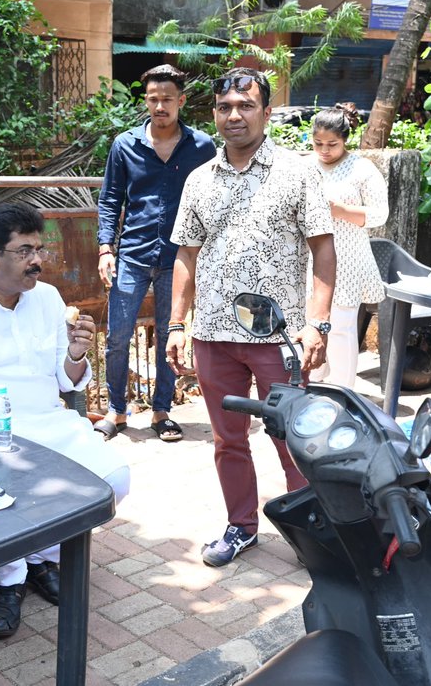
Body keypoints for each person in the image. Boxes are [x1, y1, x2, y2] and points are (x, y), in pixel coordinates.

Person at [0, 203, 130, 639]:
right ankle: (9, 580)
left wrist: (76, 353)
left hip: (49, 422)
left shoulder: (49, 298)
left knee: (113, 479)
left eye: (39, 249)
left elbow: (66, 377)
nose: (37, 260)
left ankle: (39, 558)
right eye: (24, 251)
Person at [167, 67, 337, 567]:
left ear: (266, 111)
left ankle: (315, 532)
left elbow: (323, 253)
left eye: (245, 105)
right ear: (214, 113)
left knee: (295, 440)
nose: (234, 115)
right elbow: (186, 257)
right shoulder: (199, 179)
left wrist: (317, 323)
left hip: (277, 338)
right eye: (224, 107)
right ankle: (241, 526)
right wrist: (178, 325)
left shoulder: (299, 171)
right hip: (214, 336)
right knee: (227, 438)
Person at [96, 64, 215, 442]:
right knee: (117, 336)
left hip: (179, 257)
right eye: (153, 99)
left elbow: (213, 199)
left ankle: (162, 411)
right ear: (145, 101)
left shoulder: (202, 147)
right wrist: (105, 248)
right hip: (131, 253)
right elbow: (110, 199)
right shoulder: (124, 145)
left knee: (170, 334)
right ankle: (116, 412)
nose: (159, 106)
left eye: (167, 99)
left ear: (181, 101)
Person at [306, 104, 388, 388]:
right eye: (318, 144)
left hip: (347, 258)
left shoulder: (361, 169)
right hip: (309, 260)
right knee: (308, 324)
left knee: (339, 329)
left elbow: (380, 214)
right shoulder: (305, 166)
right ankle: (311, 389)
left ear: (345, 140)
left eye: (332, 144)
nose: (324, 150)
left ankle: (343, 394)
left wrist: (338, 210)